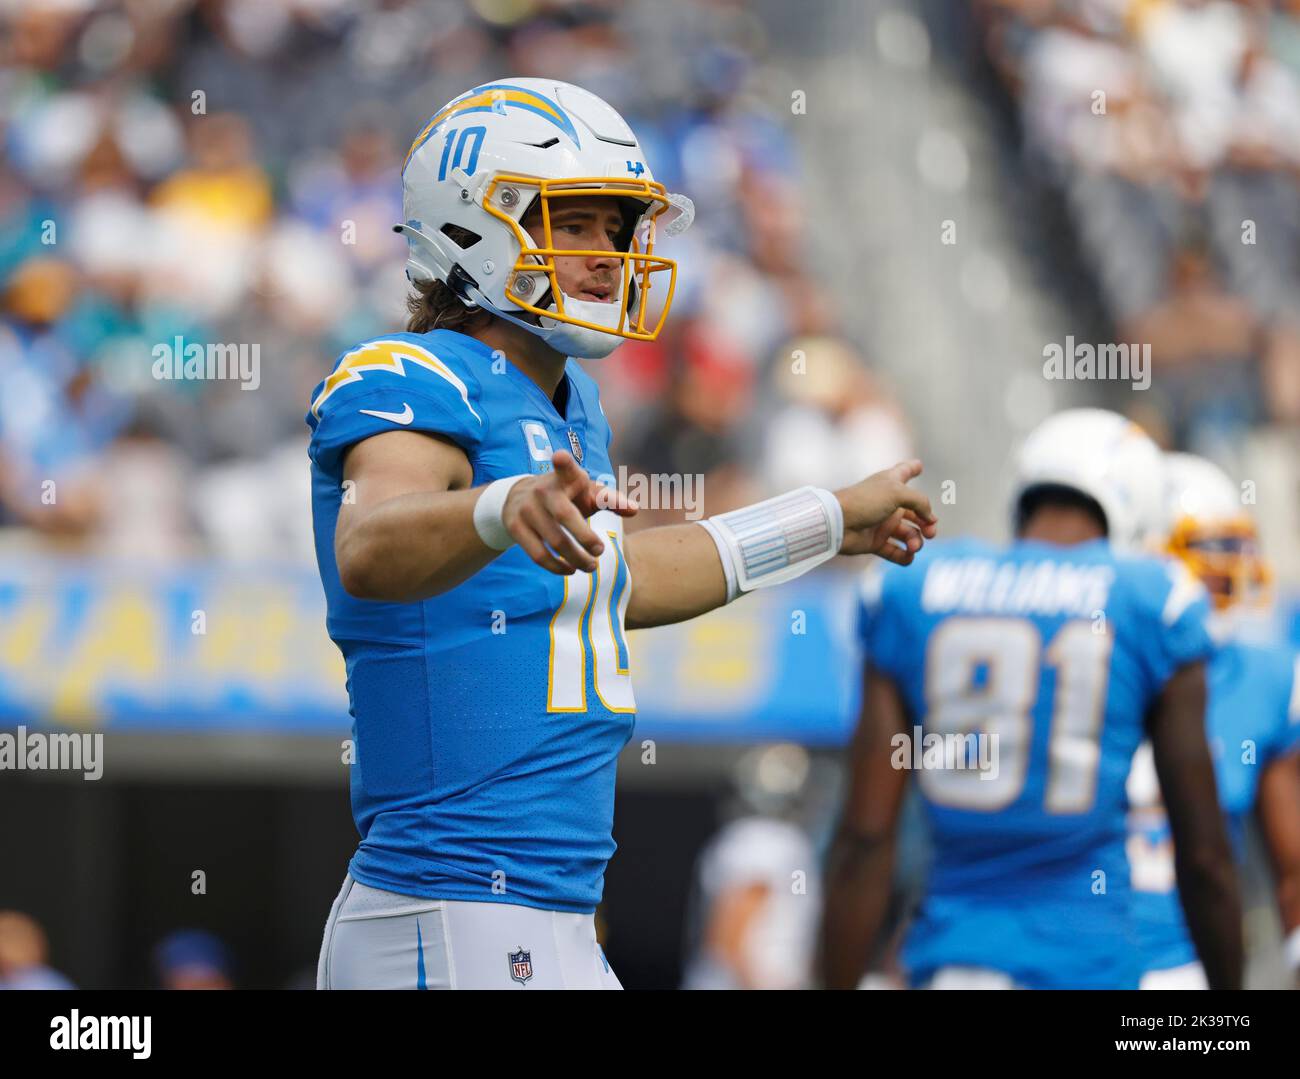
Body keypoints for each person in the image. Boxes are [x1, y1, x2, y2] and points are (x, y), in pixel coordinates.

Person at [309, 78, 937, 990]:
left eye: (615, 230)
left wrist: (828, 519)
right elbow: (369, 548)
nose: (607, 256)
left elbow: (618, 579)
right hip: (446, 905)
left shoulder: (568, 402)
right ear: (475, 222)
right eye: (576, 223)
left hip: (549, 910)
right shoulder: (409, 372)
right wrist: (498, 506)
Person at [821, 409, 1241, 990]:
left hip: (957, 964)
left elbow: (864, 841)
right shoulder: (1153, 600)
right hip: (1088, 966)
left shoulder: (912, 587)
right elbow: (1205, 860)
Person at [1128, 452, 1300, 989]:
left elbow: (1294, 874)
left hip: (1191, 969)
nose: (1230, 581)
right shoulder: (1076, 663)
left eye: (1235, 555)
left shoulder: (1265, 676)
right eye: (1210, 562)